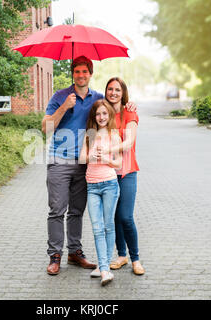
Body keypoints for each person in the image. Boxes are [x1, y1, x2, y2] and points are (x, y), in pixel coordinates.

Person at [42, 56, 136, 276]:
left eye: (85, 71)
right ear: (72, 73)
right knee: (57, 210)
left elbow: (115, 107)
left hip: (86, 165)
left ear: (90, 74)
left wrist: (129, 104)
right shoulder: (60, 97)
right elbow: (45, 128)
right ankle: (55, 256)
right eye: (77, 71)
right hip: (60, 160)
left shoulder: (98, 98)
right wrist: (65, 107)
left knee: (77, 211)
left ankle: (74, 252)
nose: (81, 75)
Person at [99, 77, 145, 275]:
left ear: (123, 92)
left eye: (117, 89)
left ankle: (135, 258)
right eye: (110, 89)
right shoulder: (104, 113)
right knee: (114, 217)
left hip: (127, 172)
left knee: (125, 216)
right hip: (109, 172)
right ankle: (121, 255)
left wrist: (108, 148)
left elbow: (129, 142)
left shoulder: (130, 112)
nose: (113, 93)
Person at [78, 99, 122, 286]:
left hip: (110, 185)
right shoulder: (90, 134)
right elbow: (81, 159)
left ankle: (104, 268)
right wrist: (90, 156)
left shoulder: (114, 135)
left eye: (105, 113)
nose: (101, 117)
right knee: (97, 228)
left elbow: (118, 164)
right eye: (98, 114)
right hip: (92, 186)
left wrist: (105, 158)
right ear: (94, 116)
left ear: (109, 115)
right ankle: (104, 267)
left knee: (108, 226)